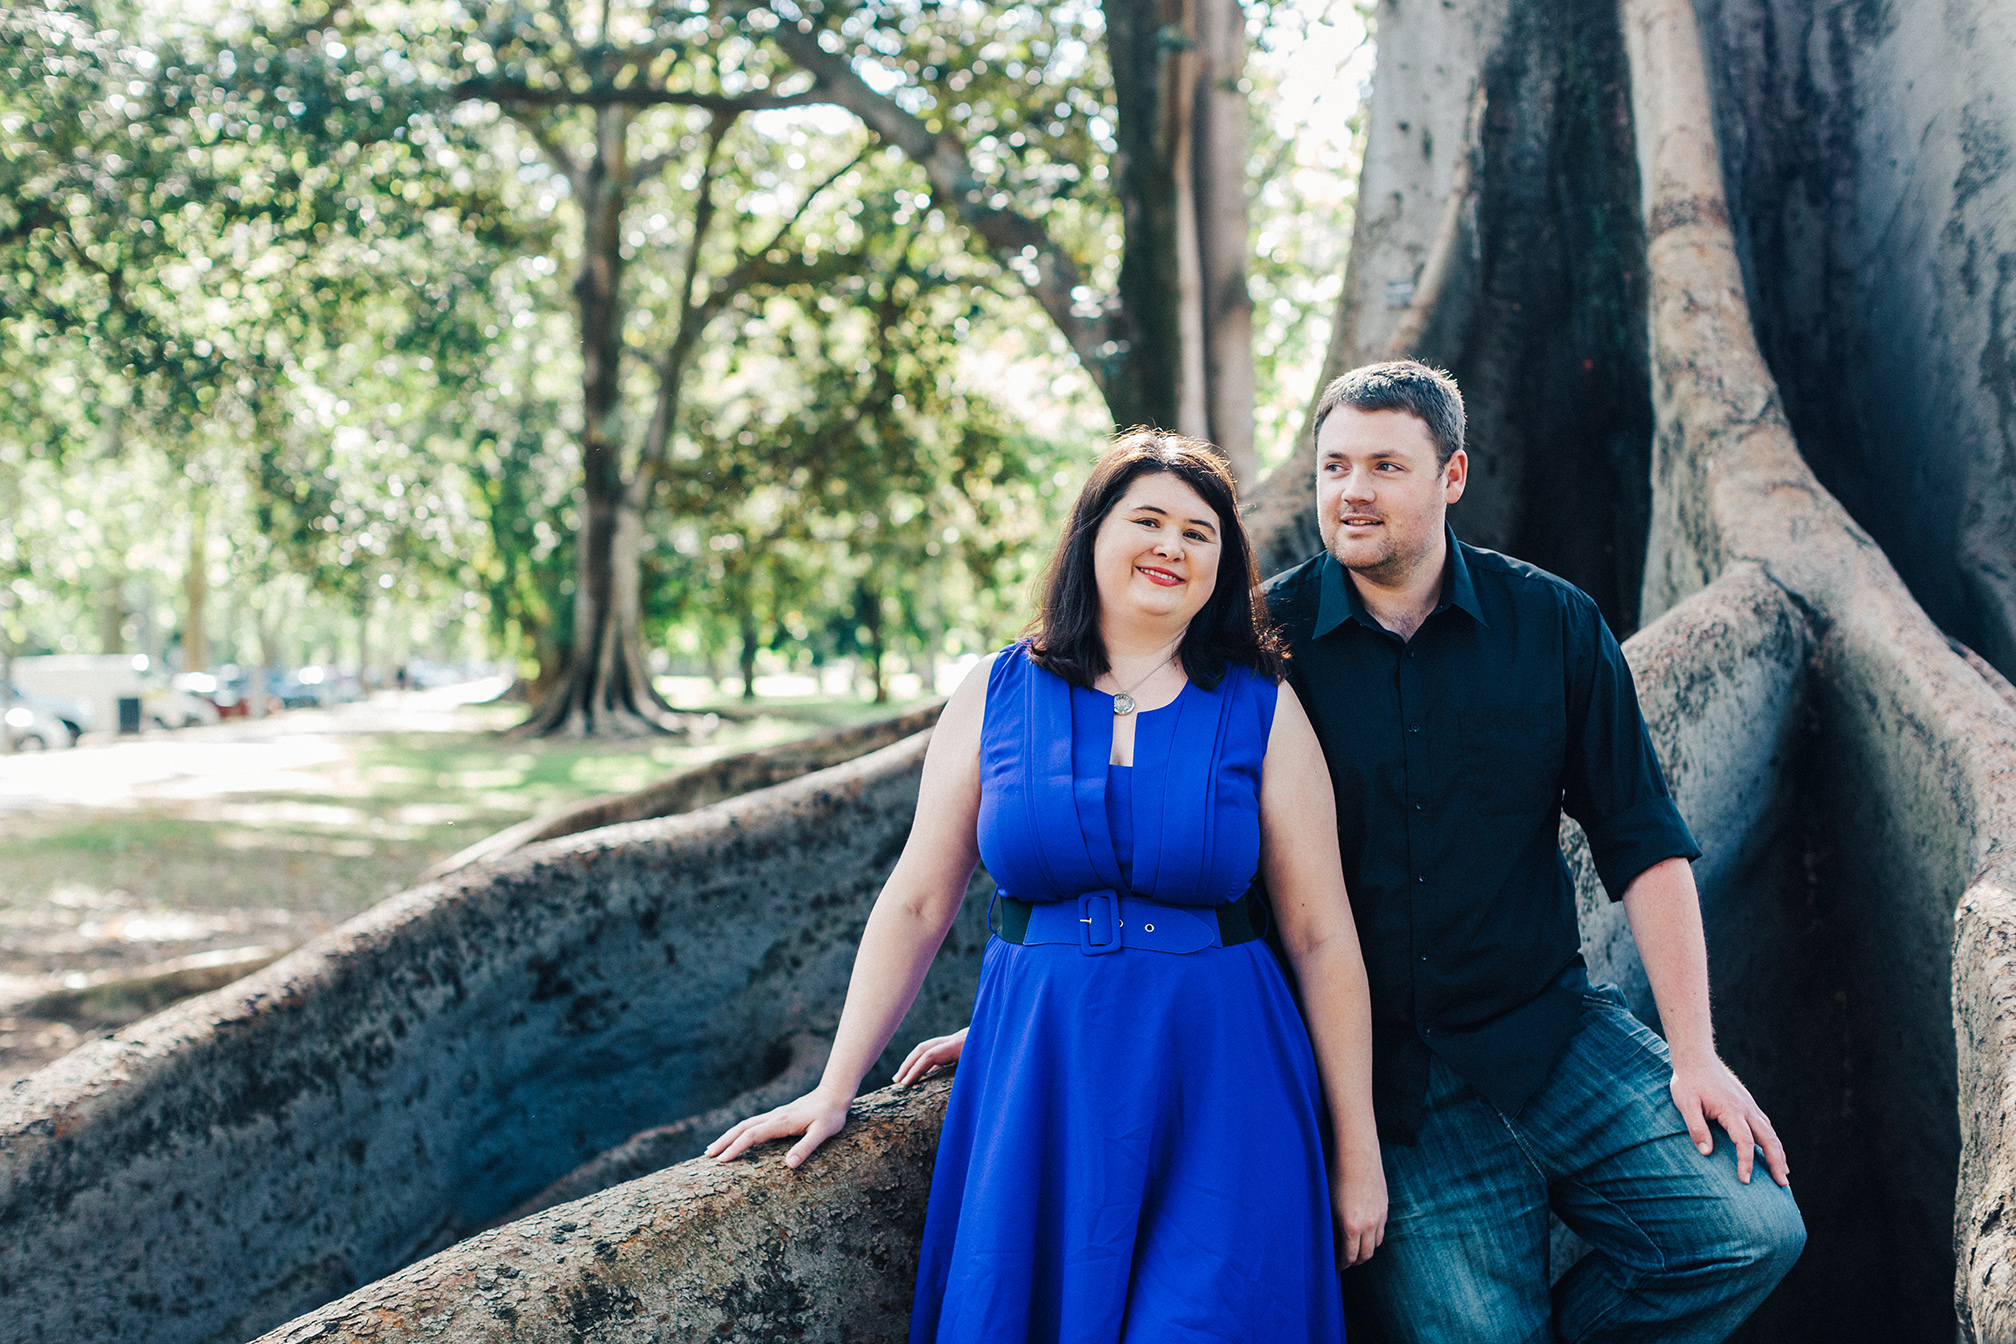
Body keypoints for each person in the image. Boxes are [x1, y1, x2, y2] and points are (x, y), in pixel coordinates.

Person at [707, 429, 1385, 1342]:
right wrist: (837, 1085)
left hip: (1224, 1078)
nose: (1171, 547)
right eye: (1147, 520)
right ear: (1092, 535)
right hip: (1042, 1066)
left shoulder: (1263, 703)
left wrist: (1358, 1149)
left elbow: (1320, 935)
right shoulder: (997, 691)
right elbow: (917, 901)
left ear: (1223, 565)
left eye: (1199, 533)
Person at [1261, 360, 1806, 1342]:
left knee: (1751, 1228)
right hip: (1394, 1092)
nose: (1351, 490)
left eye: (1385, 465)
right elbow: (1169, 837)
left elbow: (1643, 841)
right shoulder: (1266, 643)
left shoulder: (1552, 625)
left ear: (1452, 475)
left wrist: (1695, 1053)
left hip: (1554, 1037)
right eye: (1334, 465)